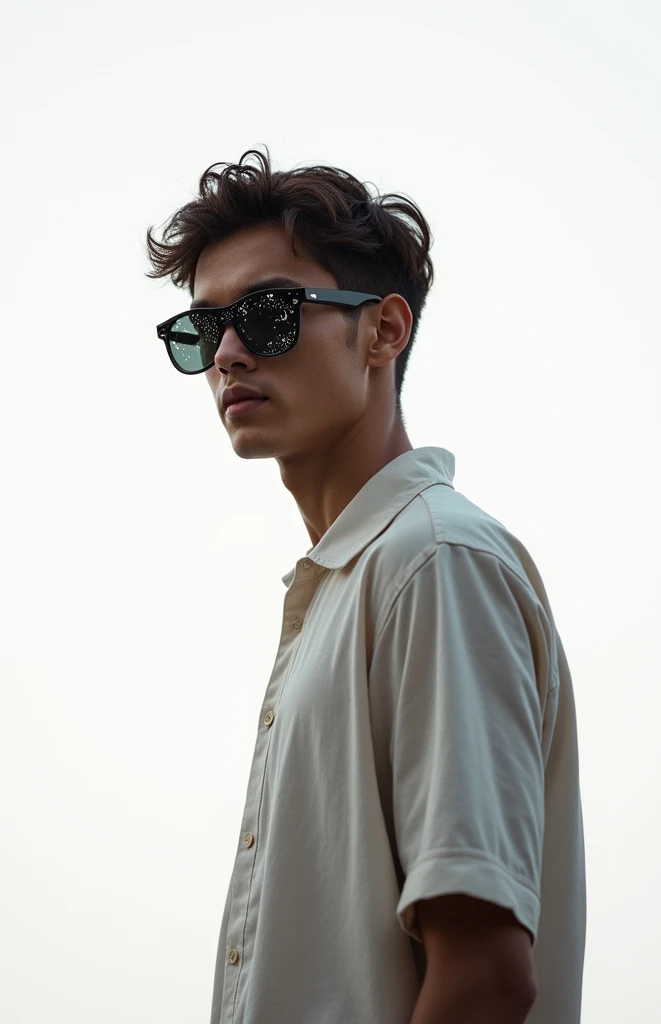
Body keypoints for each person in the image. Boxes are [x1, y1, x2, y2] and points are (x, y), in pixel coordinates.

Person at [145, 148, 586, 1024]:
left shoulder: (432, 564)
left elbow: (485, 979)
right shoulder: (348, 589)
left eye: (268, 314)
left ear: (383, 331)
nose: (228, 354)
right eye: (201, 331)